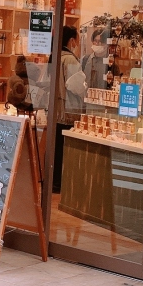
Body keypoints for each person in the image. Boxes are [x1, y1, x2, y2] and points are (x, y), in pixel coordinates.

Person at [54, 25, 87, 190]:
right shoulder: (71, 60)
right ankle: (61, 183)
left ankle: (54, 181)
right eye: (77, 40)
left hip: (55, 111)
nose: (78, 44)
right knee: (65, 149)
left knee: (56, 148)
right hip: (68, 110)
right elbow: (76, 86)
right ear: (72, 40)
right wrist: (87, 88)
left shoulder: (55, 56)